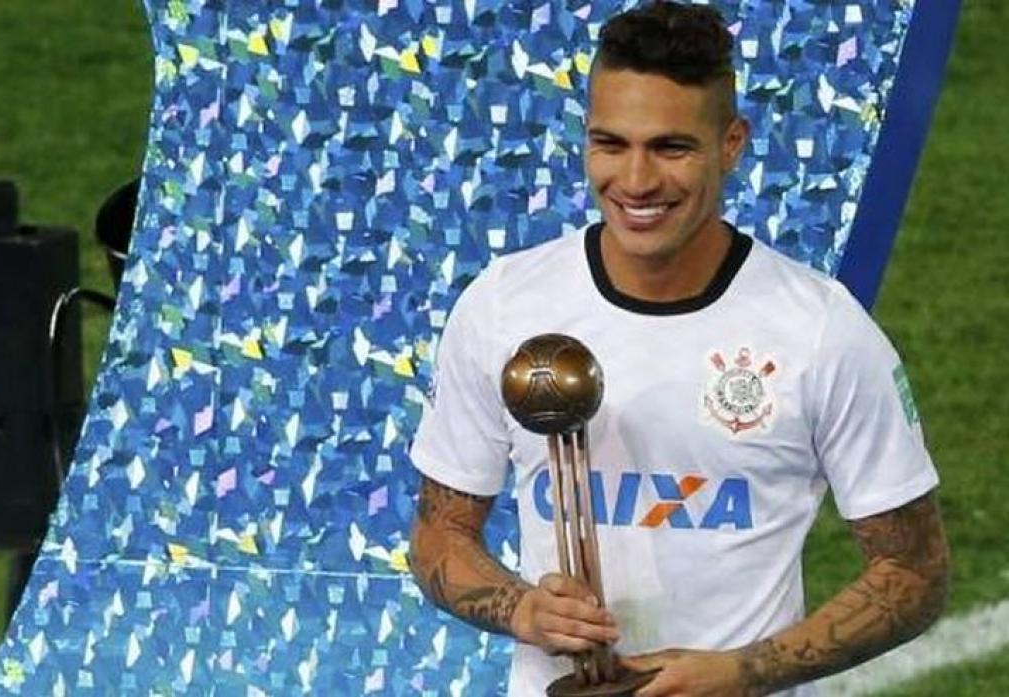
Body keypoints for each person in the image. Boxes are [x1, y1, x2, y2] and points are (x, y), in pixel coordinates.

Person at [406, 2, 950, 696]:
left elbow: (913, 571)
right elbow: (438, 536)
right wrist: (524, 608)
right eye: (610, 143)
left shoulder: (820, 331)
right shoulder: (504, 305)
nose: (635, 182)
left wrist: (745, 671)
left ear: (732, 144)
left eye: (671, 147)